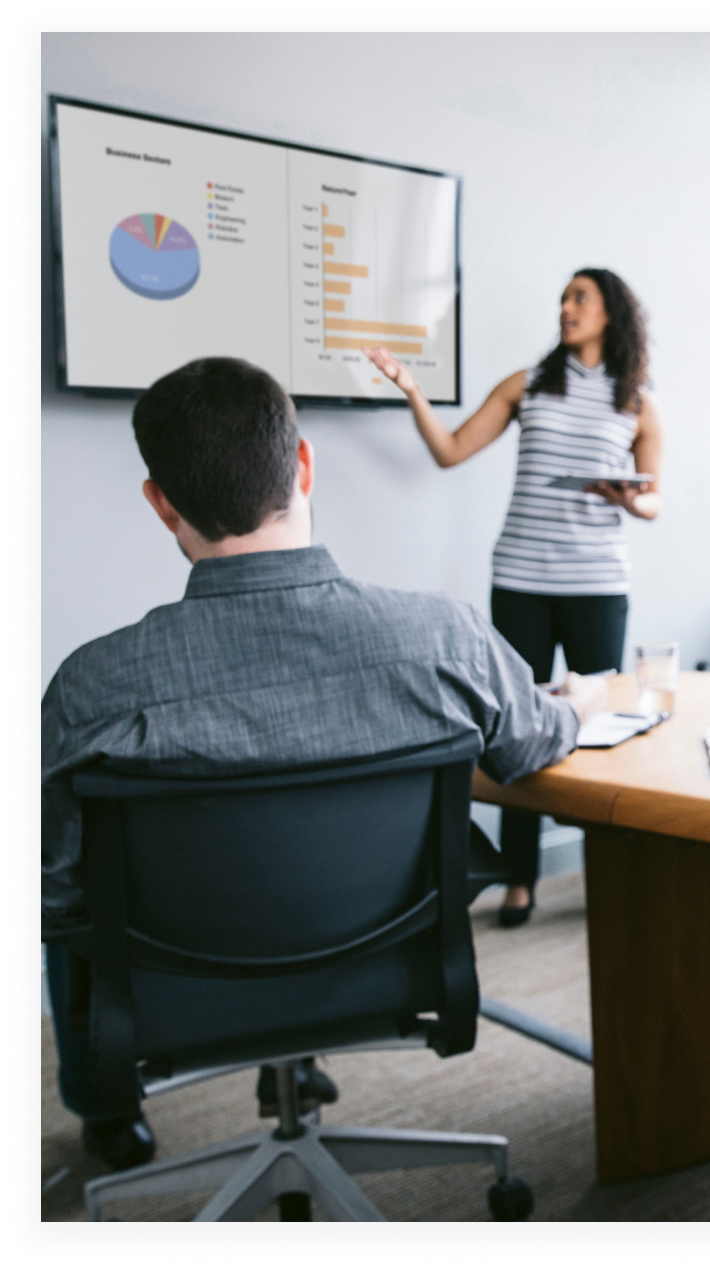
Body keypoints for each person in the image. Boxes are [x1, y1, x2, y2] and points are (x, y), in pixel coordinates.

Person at [40, 357, 607, 1172]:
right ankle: (305, 1050)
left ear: (161, 504)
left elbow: (54, 895)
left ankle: (105, 1107)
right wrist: (578, 705)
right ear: (303, 464)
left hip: (180, 996)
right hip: (385, 976)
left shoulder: (91, 687)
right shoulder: (445, 639)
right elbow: (530, 747)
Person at [364, 268, 663, 927]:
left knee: (602, 726)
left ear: (610, 312)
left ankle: (601, 872)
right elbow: (448, 452)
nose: (565, 308)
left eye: (578, 298)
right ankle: (520, 877)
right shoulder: (526, 385)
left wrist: (626, 496)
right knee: (517, 724)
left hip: (596, 582)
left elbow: (653, 499)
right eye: (561, 298)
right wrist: (411, 389)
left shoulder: (636, 401)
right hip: (522, 579)